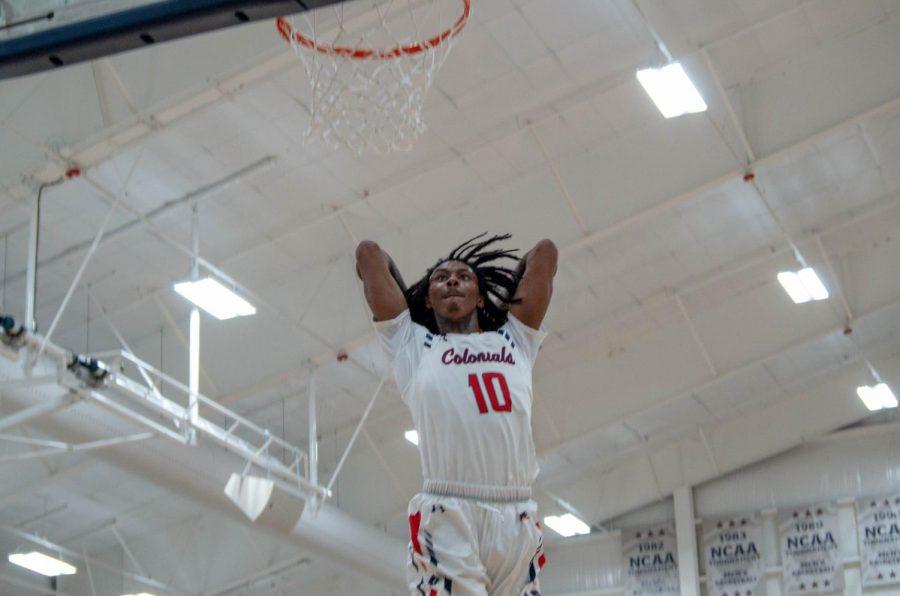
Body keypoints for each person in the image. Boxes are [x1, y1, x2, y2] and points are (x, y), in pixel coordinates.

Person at [356, 233, 558, 596]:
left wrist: (504, 293)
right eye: (440, 278)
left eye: (464, 277)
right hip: (448, 511)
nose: (451, 280)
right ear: (428, 297)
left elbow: (544, 254)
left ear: (480, 297)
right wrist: (411, 302)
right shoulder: (412, 345)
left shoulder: (516, 338)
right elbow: (368, 255)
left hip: (516, 513)